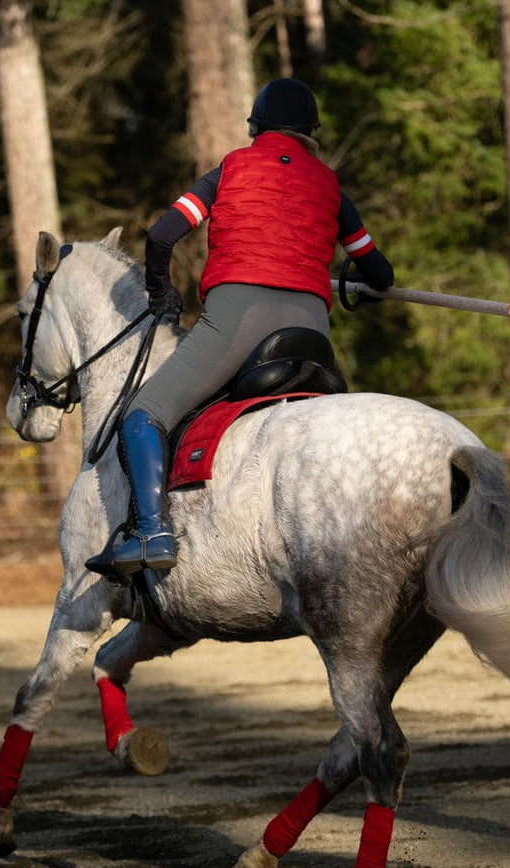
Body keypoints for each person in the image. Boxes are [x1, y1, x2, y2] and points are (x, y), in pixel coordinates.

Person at [86, 77, 395, 583]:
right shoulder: (331, 186)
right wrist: (354, 282)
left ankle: (152, 534)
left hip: (238, 320)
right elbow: (380, 274)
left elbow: (164, 234)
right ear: (310, 133)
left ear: (256, 127)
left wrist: (164, 294)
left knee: (143, 415)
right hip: (313, 330)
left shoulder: (229, 168)